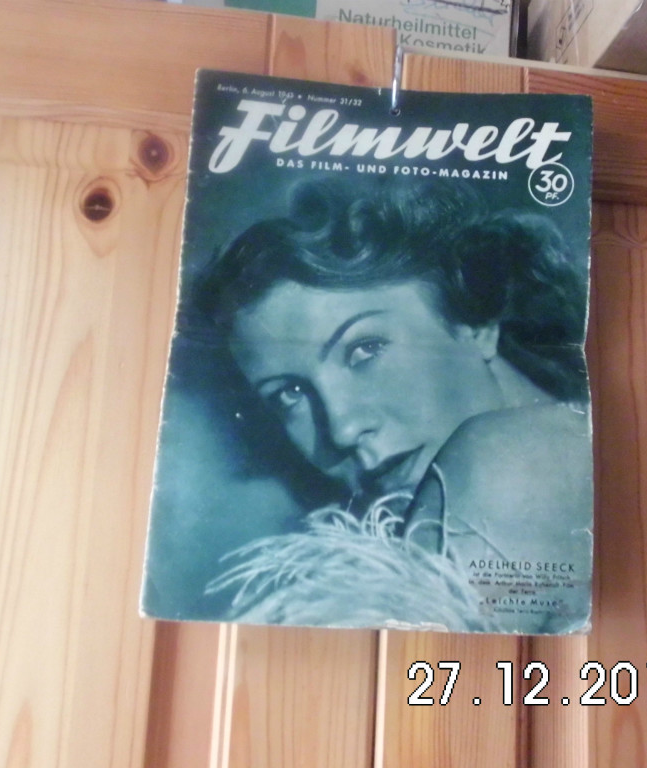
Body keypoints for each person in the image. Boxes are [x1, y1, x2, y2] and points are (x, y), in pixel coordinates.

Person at [196, 176, 592, 632]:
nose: (342, 429)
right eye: (290, 394)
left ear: (475, 321)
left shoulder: (508, 456)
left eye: (365, 349)